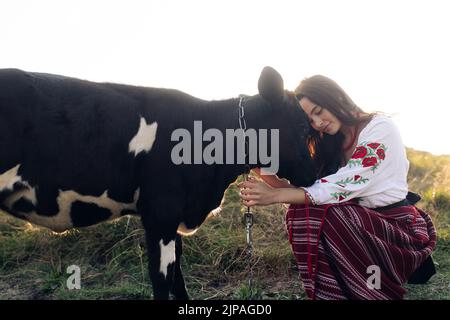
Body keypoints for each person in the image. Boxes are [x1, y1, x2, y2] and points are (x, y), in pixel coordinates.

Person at [238, 75, 436, 300]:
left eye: (318, 111)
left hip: (395, 228)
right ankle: (332, 289)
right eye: (311, 120)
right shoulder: (330, 142)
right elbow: (310, 188)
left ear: (336, 97)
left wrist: (275, 195)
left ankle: (372, 285)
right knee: (301, 210)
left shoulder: (380, 128)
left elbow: (340, 187)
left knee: (331, 213)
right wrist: (258, 167)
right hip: (357, 225)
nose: (318, 122)